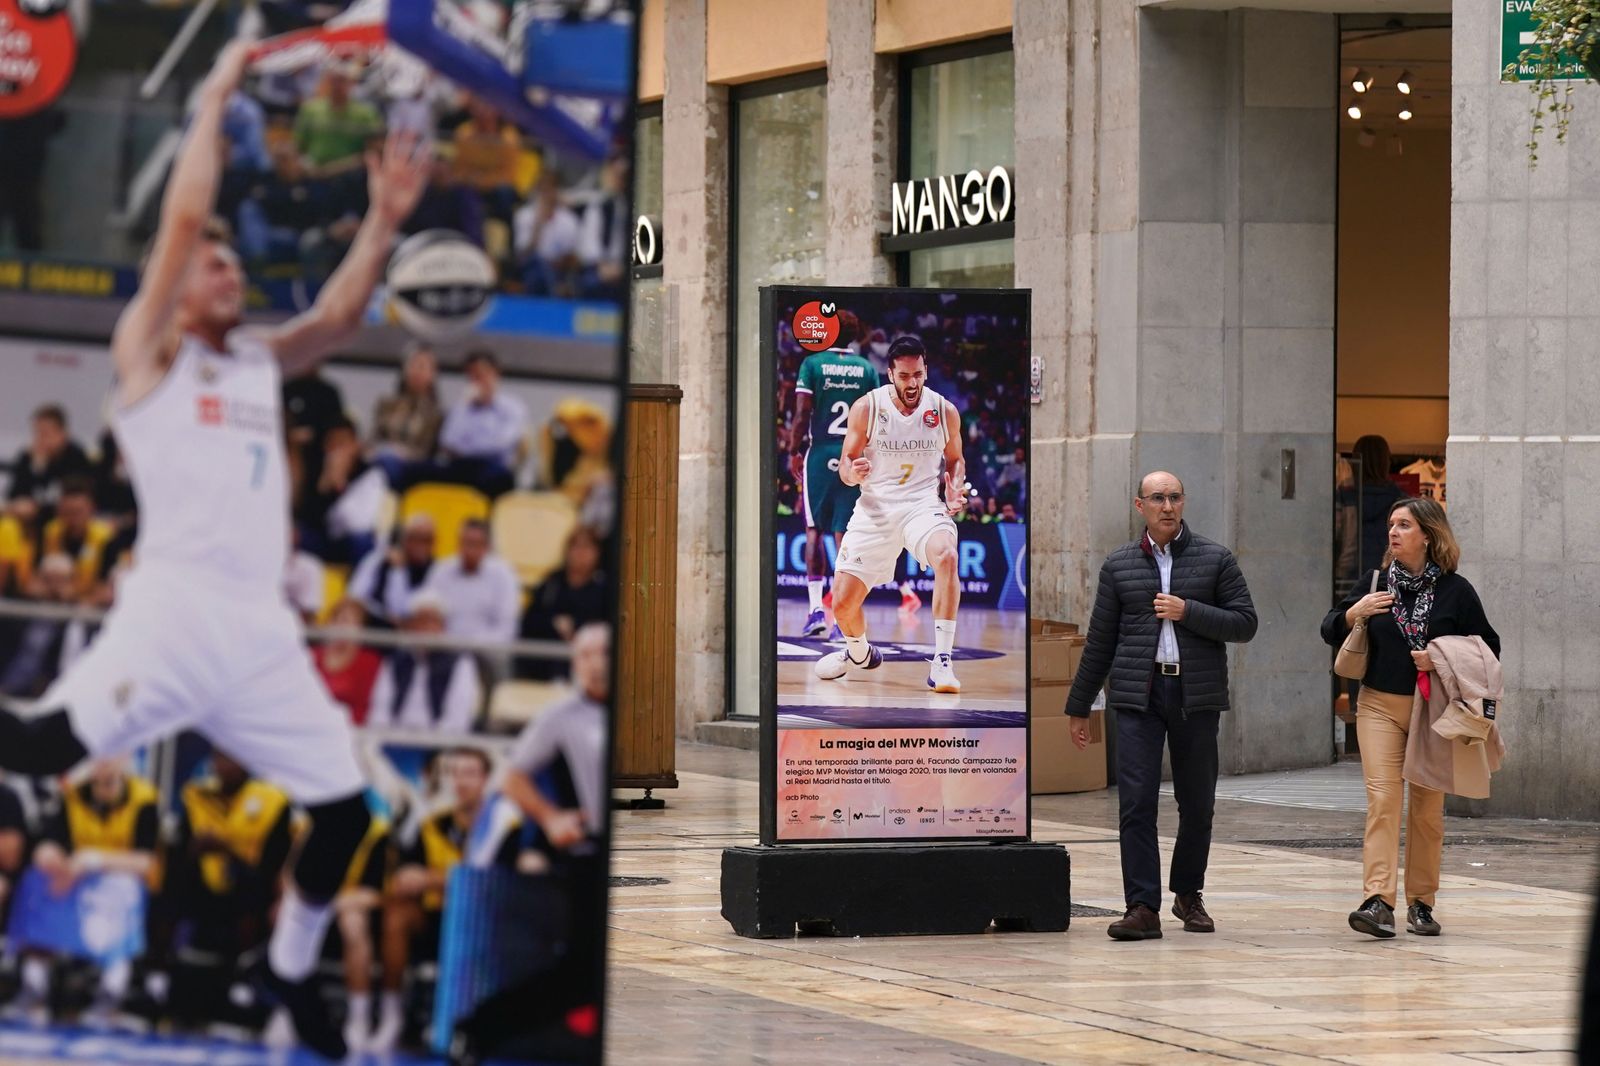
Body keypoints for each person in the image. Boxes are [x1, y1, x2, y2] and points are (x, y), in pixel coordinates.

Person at [0, 43, 429, 1060]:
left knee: (337, 816)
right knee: (39, 747)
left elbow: (332, 316)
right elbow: (185, 219)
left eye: (237, 263)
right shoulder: (148, 350)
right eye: (216, 263)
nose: (228, 270)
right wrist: (218, 92)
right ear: (180, 282)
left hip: (260, 631)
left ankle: (284, 974)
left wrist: (383, 221)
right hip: (175, 608)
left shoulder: (253, 362)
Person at [1063, 472, 1258, 941]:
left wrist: (1187, 610)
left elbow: (1245, 623)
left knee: (1198, 803)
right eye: (1157, 498)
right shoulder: (1119, 565)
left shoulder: (1215, 559)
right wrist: (1078, 705)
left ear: (1183, 502)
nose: (1167, 506)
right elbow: (1100, 642)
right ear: (1140, 506)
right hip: (1139, 697)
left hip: (1195, 697)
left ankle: (1189, 895)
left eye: (1174, 498)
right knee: (1135, 803)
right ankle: (1142, 906)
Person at [1321, 497, 1499, 939]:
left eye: (1404, 525)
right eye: (1391, 525)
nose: (1394, 533)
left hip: (1431, 712)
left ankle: (1422, 903)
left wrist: (1439, 657)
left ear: (1428, 535)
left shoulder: (1457, 591)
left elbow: (1489, 648)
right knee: (1382, 801)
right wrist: (1353, 612)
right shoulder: (1375, 581)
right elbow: (1328, 628)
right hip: (1379, 705)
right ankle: (1378, 900)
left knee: (1426, 810)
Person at [448, 624, 609, 1062]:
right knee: (581, 971)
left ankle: (480, 1029)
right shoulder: (564, 716)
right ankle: (478, 1028)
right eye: (586, 655)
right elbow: (511, 775)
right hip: (589, 856)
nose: (596, 663)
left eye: (604, 653)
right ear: (576, 664)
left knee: (593, 971)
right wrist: (551, 817)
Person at [812, 336, 970, 693]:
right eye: (904, 376)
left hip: (922, 506)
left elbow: (956, 459)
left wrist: (954, 486)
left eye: (917, 374)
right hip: (876, 509)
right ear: (890, 374)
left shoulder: (943, 411)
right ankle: (859, 652)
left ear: (925, 370)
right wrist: (853, 473)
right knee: (842, 606)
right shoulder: (867, 408)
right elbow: (846, 466)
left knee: (947, 555)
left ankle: (942, 662)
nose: (912, 383)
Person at [373, 747, 511, 1052]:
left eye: (470, 774)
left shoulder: (504, 826)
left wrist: (432, 878)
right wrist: (418, 880)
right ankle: (391, 1016)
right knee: (396, 913)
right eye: (454, 773)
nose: (460, 782)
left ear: (486, 780)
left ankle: (469, 1025)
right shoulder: (431, 825)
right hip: (434, 919)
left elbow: (496, 882)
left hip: (485, 926)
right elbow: (402, 880)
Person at [11, 759, 160, 1027]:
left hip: (123, 880)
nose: (105, 765)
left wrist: (94, 859)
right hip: (75, 878)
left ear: (124, 760)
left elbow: (147, 862)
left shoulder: (144, 798)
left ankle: (113, 989)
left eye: (111, 757)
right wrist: (48, 854)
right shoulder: (72, 795)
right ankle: (35, 984)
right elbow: (50, 841)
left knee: (121, 887)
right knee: (37, 880)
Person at [165, 752, 294, 1026]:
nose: (222, 765)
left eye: (230, 758)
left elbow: (276, 860)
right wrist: (194, 848)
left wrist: (228, 849)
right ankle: (160, 972)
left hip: (252, 885)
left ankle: (245, 976)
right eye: (218, 758)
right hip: (203, 885)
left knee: (253, 889)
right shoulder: (195, 795)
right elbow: (179, 848)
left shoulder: (273, 800)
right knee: (169, 884)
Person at [786, 310, 880, 638]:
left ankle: (815, 611)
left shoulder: (813, 364)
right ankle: (842, 616)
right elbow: (875, 421)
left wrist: (794, 451)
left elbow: (801, 413)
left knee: (814, 529)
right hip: (853, 457)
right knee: (846, 535)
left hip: (821, 451)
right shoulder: (868, 369)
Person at [368, 593, 482, 733]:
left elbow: (457, 718)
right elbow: (380, 708)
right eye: (420, 621)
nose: (426, 628)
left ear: (443, 627)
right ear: (411, 625)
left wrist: (432, 746)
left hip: (437, 742)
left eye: (432, 621)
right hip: (394, 737)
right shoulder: (395, 660)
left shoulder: (460, 662)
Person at [434, 350, 528, 498]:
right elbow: (447, 441)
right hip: (461, 466)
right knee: (425, 471)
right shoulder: (462, 407)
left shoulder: (513, 407)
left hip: (493, 467)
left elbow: (501, 445)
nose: (478, 381)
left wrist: (465, 450)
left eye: (483, 374)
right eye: (473, 376)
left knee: (497, 478)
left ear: (496, 374)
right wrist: (464, 406)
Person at [517, 526, 607, 680]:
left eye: (586, 547)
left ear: (597, 553)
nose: (580, 553)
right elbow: (529, 622)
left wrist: (577, 628)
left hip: (586, 669)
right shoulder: (551, 584)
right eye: (575, 546)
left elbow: (605, 627)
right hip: (544, 667)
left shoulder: (604, 590)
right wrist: (553, 624)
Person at [423, 519, 521, 646]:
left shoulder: (504, 575)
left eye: (475, 544)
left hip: (488, 652)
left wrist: (471, 645)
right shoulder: (441, 570)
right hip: (445, 650)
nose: (469, 550)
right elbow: (428, 615)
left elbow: (507, 629)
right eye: (465, 543)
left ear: (487, 547)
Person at [5, 404, 92, 532]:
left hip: (62, 521)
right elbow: (14, 493)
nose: (40, 439)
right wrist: (37, 467)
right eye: (37, 433)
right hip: (28, 522)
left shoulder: (76, 458)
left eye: (45, 433)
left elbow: (73, 497)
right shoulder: (27, 457)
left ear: (62, 433)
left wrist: (37, 507)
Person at [348, 513, 439, 627]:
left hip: (408, 632)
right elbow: (355, 595)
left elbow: (402, 609)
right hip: (371, 623)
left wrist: (398, 572)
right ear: (404, 538)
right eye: (414, 537)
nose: (420, 545)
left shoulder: (437, 570)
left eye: (427, 540)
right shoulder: (378, 560)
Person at [369, 343, 444, 479]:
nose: (417, 371)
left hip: (413, 468)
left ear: (433, 374)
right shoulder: (386, 404)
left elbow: (429, 451)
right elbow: (374, 438)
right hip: (381, 459)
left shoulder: (436, 413)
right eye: (413, 365)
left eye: (422, 366)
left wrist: (403, 453)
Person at [1345, 434, 1409, 583]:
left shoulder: (1342, 499)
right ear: (1386, 462)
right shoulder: (1403, 503)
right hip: (1390, 578)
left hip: (1347, 581)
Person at [313, 599, 384, 726]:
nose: (342, 627)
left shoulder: (369, 661)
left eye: (348, 621)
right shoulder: (313, 656)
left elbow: (364, 707)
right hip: (312, 724)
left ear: (360, 628)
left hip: (351, 730)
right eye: (337, 620)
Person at [514, 172, 581, 295]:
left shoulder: (569, 219)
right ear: (536, 191)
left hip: (559, 269)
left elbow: (573, 257)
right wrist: (538, 224)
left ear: (557, 191)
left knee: (547, 271)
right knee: (536, 264)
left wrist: (557, 263)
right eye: (542, 189)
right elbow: (523, 255)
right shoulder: (524, 215)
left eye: (550, 188)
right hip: (531, 267)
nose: (546, 193)